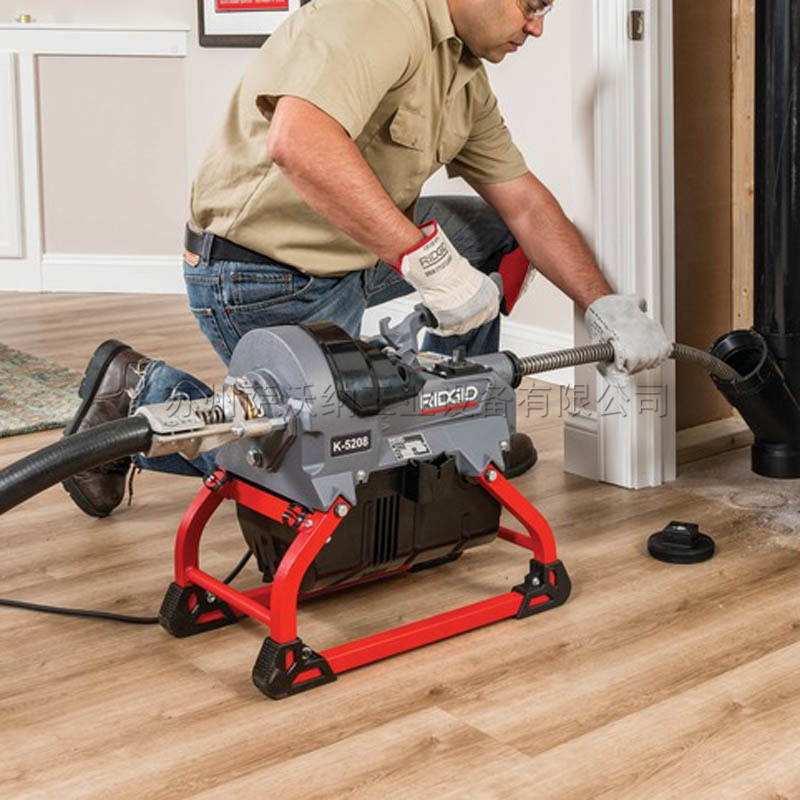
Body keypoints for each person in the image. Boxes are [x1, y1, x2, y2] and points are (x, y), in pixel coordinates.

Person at [62, 0, 672, 518]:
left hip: (355, 256)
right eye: (531, 4)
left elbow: (527, 208)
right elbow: (298, 141)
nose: (536, 27)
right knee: (329, 472)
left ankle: (461, 428)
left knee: (496, 235)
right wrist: (432, 265)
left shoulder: (463, 80)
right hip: (261, 272)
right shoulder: (377, 14)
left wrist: (605, 305)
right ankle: (135, 398)